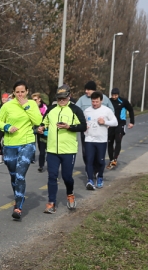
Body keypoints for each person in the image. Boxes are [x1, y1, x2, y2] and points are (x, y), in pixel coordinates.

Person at [0, 81, 43, 220]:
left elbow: (38, 120)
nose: (20, 94)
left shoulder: (32, 104)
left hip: (27, 143)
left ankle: (18, 207)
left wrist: (25, 106)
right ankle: (18, 196)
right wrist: (7, 127)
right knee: (14, 176)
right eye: (17, 92)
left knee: (20, 175)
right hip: (10, 145)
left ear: (27, 91)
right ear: (13, 93)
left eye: (22, 92)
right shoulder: (7, 105)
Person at [37, 84, 87, 213]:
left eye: (64, 98)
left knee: (66, 177)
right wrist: (42, 127)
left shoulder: (75, 110)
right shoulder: (51, 109)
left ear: (69, 96)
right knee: (52, 176)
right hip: (52, 150)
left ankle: (70, 194)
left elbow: (83, 126)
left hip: (68, 150)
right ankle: (51, 202)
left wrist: (69, 127)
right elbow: (44, 122)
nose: (61, 101)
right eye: (59, 98)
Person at [83, 91, 117, 189]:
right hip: (89, 139)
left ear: (101, 100)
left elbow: (115, 122)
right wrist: (84, 127)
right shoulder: (87, 111)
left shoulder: (107, 111)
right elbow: (83, 123)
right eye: (93, 101)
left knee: (100, 161)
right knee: (89, 160)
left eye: (97, 101)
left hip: (101, 140)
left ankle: (100, 177)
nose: (94, 104)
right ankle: (90, 180)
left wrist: (105, 122)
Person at [75, 81, 114, 165]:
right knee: (86, 151)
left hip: (100, 130)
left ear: (94, 90)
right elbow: (75, 111)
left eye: (88, 89)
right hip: (86, 130)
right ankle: (88, 167)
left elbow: (111, 111)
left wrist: (107, 123)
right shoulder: (82, 99)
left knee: (98, 151)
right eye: (85, 89)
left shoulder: (104, 98)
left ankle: (96, 169)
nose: (86, 91)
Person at [106, 87, 135, 169]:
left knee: (118, 140)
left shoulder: (123, 101)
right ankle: (111, 160)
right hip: (111, 124)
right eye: (113, 95)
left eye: (115, 95)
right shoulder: (109, 101)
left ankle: (115, 159)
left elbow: (131, 110)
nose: (114, 97)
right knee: (110, 143)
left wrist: (132, 122)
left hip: (120, 124)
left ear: (118, 95)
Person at [32, 93, 49, 172]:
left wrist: (43, 128)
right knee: (41, 149)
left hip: (45, 130)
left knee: (47, 149)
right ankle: (41, 165)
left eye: (35, 100)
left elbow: (47, 119)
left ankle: (48, 163)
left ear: (39, 99)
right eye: (33, 100)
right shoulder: (32, 108)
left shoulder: (44, 107)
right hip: (37, 129)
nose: (34, 101)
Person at [0, 93, 11, 163]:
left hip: (8, 127)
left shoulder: (11, 107)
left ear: (8, 99)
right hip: (0, 127)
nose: (4, 99)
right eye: (2, 98)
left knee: (6, 142)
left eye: (5, 98)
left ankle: (2, 153)